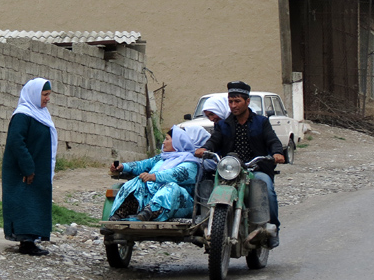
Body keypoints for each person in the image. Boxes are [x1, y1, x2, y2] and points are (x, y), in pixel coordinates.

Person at [194, 81, 284, 247]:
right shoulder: (223, 124)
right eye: (230, 102)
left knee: (267, 189)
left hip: (255, 169)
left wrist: (277, 153)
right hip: (229, 170)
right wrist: (205, 149)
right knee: (205, 184)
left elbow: (273, 140)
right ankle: (204, 224)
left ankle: (273, 229)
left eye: (237, 101)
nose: (233, 105)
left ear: (247, 102)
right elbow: (214, 141)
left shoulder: (261, 122)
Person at [2, 78, 58, 256]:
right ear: (34, 94)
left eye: (48, 95)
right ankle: (26, 242)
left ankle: (32, 238)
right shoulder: (22, 115)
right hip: (24, 171)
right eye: (44, 95)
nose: (47, 99)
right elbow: (16, 142)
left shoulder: (40, 113)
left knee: (34, 202)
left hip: (36, 169)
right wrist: (28, 167)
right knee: (25, 202)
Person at [109, 125, 209, 221]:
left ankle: (150, 212)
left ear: (177, 142)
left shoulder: (191, 163)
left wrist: (154, 176)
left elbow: (175, 174)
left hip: (179, 203)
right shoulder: (161, 158)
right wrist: (122, 167)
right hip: (153, 197)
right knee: (137, 181)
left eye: (167, 139)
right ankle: (120, 213)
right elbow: (142, 165)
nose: (163, 142)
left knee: (172, 187)